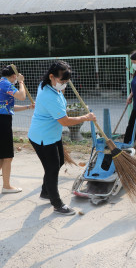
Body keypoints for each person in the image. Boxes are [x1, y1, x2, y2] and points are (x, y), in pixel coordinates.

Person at [28, 61, 96, 215]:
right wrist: (86, 117)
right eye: (62, 81)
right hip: (42, 137)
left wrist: (62, 86)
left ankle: (46, 191)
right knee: (52, 168)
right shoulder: (47, 94)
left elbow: (60, 100)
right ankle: (57, 203)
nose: (64, 84)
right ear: (51, 76)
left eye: (66, 82)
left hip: (52, 134)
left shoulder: (49, 85)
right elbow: (65, 121)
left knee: (59, 162)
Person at [0, 65, 33, 193]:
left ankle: (6, 184)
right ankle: (7, 186)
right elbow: (22, 96)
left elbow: (9, 107)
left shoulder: (2, 83)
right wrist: (21, 82)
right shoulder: (6, 84)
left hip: (3, 119)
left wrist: (28, 107)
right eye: (16, 77)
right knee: (7, 156)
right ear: (13, 76)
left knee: (2, 156)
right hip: (2, 122)